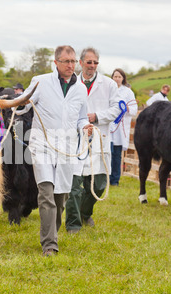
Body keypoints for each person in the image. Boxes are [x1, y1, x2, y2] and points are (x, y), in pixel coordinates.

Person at [17, 45, 93, 256]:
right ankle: (50, 244)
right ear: (56, 63)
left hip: (67, 148)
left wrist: (84, 127)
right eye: (65, 61)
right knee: (46, 193)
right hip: (42, 144)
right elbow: (23, 106)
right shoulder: (40, 82)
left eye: (73, 61)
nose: (70, 65)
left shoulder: (80, 89)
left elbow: (81, 118)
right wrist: (15, 102)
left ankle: (52, 233)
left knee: (61, 198)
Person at [65, 47, 121, 234]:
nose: (92, 66)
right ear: (80, 63)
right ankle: (73, 223)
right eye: (89, 62)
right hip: (76, 138)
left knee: (97, 184)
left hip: (99, 138)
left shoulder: (109, 84)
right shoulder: (70, 83)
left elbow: (116, 109)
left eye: (95, 62)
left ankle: (85, 212)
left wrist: (95, 116)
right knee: (74, 183)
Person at [109, 68, 138, 186]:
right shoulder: (107, 89)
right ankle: (104, 179)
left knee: (116, 155)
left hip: (120, 128)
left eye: (119, 77)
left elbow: (134, 109)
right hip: (107, 125)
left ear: (123, 78)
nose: (117, 79)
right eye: (115, 76)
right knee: (106, 153)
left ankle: (114, 180)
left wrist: (125, 108)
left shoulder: (128, 92)